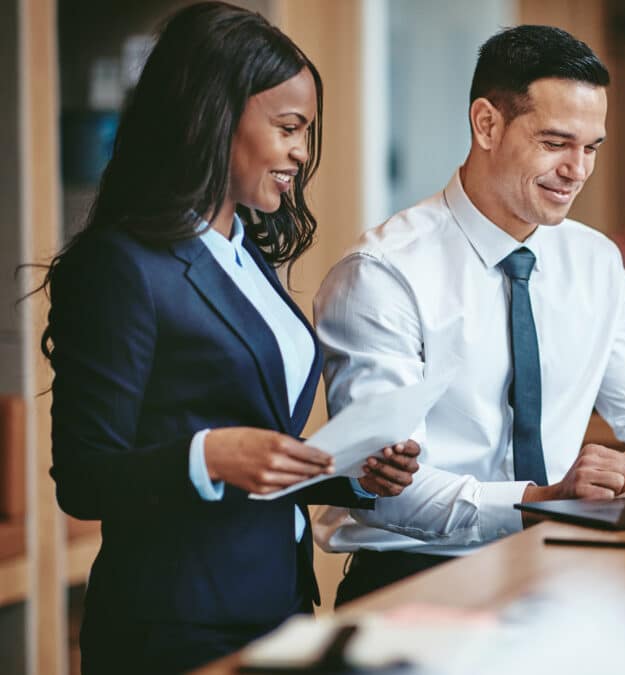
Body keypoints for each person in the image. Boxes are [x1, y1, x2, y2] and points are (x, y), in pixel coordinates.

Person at [42, 4, 419, 673]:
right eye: (288, 128)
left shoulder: (246, 255)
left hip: (280, 604)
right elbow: (84, 476)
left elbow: (255, 440)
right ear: (216, 116)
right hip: (175, 628)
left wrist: (350, 470)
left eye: (305, 131)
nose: (302, 152)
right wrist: (208, 455)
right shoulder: (123, 265)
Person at [313, 24, 625, 604]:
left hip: (562, 572)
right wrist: (544, 499)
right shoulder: (384, 273)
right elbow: (387, 490)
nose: (577, 170)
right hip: (417, 583)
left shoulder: (595, 262)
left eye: (591, 147)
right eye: (556, 142)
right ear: (487, 124)